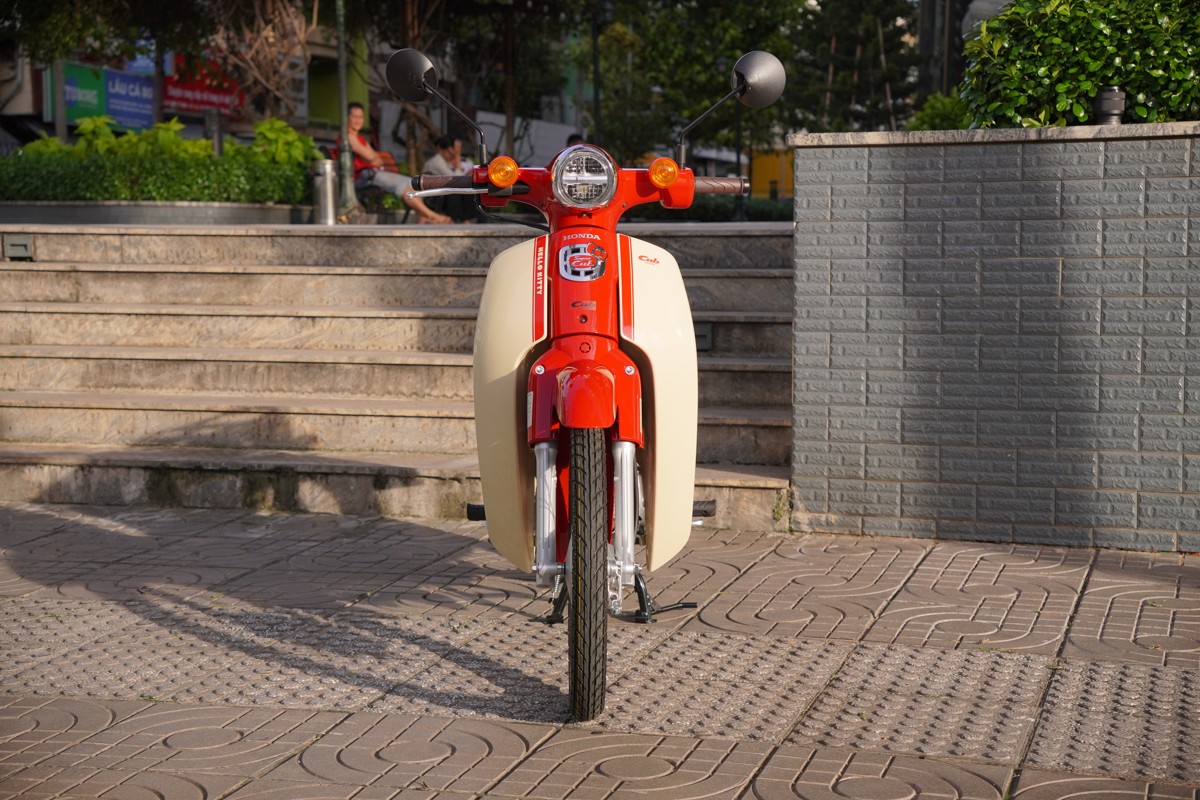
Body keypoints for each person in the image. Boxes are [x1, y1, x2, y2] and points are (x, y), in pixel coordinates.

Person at [340, 102, 450, 224]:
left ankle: (423, 217)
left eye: (360, 117)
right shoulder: (348, 137)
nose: (358, 120)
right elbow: (370, 157)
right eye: (354, 117)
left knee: (412, 183)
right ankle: (432, 215)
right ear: (347, 118)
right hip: (364, 177)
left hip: (374, 173)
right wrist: (371, 157)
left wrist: (371, 157)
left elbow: (377, 159)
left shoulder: (359, 138)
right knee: (402, 186)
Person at [424, 135, 479, 222]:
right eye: (451, 153)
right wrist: (457, 156)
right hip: (433, 195)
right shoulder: (437, 162)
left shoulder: (444, 161)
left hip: (442, 191)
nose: (452, 156)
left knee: (470, 190)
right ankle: (461, 220)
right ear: (443, 150)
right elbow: (456, 179)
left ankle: (467, 220)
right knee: (457, 191)